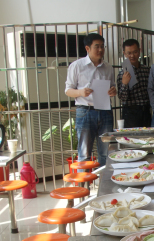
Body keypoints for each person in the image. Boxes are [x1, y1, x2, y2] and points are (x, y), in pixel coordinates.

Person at [65, 33, 116, 166]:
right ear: (87, 48)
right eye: (96, 46)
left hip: (105, 111)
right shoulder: (77, 66)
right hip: (85, 111)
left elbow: (112, 86)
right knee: (84, 154)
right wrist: (80, 92)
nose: (100, 50)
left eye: (102, 46)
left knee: (106, 152)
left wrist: (113, 91)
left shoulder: (108, 67)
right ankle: (84, 180)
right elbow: (68, 90)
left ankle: (104, 180)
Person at [117, 39, 151, 128]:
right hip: (130, 112)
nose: (132, 56)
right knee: (132, 136)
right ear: (124, 53)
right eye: (129, 53)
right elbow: (122, 97)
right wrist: (124, 84)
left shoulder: (147, 70)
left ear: (139, 51)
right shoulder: (122, 73)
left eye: (135, 52)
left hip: (146, 110)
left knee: (148, 135)